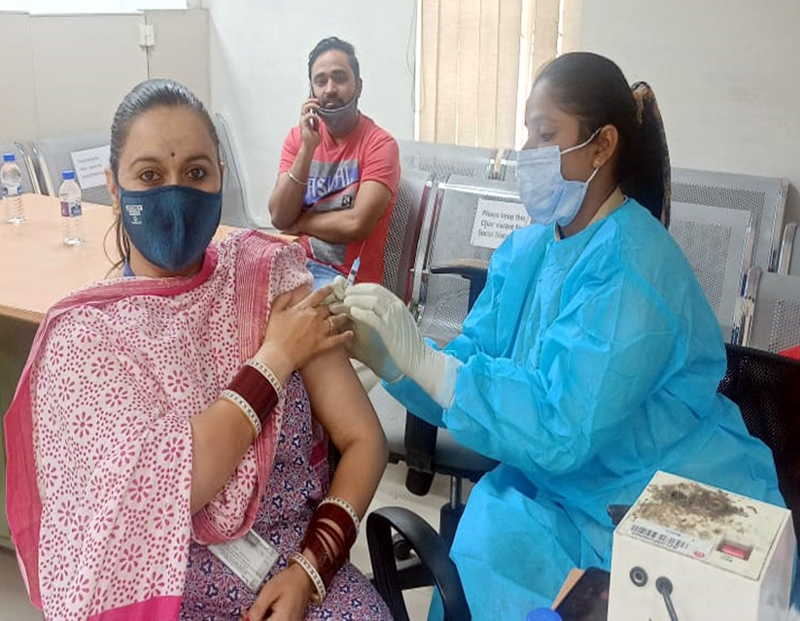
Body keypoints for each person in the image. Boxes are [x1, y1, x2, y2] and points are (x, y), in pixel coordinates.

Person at [329, 52, 784, 618]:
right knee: (488, 537)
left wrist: (433, 368)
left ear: (601, 146)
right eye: (528, 133)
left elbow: (564, 425)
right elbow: (468, 369)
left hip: (660, 498)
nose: (529, 152)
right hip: (559, 490)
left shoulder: (634, 268)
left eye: (546, 135)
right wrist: (400, 364)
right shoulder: (529, 250)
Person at [3, 79, 392, 621]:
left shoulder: (265, 277)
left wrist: (310, 571)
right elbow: (176, 480)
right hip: (167, 590)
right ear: (113, 187)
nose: (175, 192)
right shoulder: (88, 336)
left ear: (220, 179)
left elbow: (365, 439)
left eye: (196, 172)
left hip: (295, 570)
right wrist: (276, 357)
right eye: (149, 175)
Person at [268, 36, 400, 288]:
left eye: (339, 78)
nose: (329, 89)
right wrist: (307, 148)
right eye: (320, 81)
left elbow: (356, 223)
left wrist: (301, 223)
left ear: (358, 86)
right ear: (311, 92)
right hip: (296, 266)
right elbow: (279, 216)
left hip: (348, 281)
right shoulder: (298, 139)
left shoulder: (380, 145)